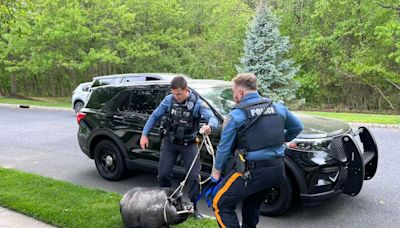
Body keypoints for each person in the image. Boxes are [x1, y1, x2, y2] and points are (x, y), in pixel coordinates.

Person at [210, 73, 304, 228]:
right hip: (277, 170)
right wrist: (283, 139)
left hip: (252, 172)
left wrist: (216, 171)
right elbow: (297, 127)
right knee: (252, 203)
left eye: (234, 93)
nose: (234, 97)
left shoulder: (236, 115)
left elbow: (224, 148)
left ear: (240, 93)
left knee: (220, 203)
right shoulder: (278, 108)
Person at [140, 76, 219, 218]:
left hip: (189, 145)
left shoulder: (197, 104)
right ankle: (167, 204)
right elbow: (154, 116)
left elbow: (212, 118)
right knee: (163, 174)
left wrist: (210, 126)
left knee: (194, 177)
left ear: (186, 90)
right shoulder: (169, 100)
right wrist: (144, 134)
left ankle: (193, 207)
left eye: (179, 94)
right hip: (170, 143)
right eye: (174, 94)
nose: (176, 97)